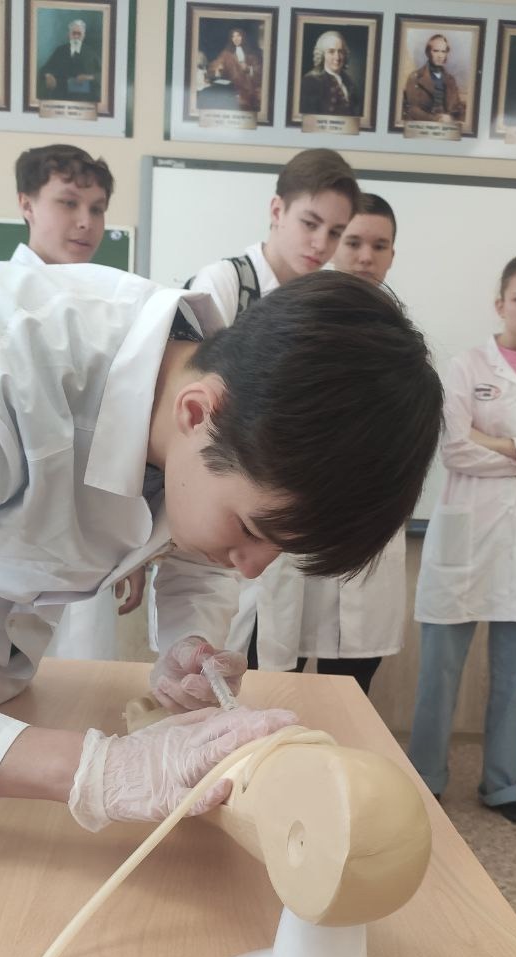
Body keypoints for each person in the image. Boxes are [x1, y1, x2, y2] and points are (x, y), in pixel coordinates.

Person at [0, 267, 442, 879]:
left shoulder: (222, 409)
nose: (251, 569)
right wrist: (99, 770)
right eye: (250, 530)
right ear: (196, 413)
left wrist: (188, 643)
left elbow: (194, 538)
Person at [408, 254, 516, 824]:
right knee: (439, 673)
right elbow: (455, 449)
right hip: (466, 538)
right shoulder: (466, 366)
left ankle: (506, 785)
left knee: (513, 677)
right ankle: (426, 780)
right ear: (500, 304)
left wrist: (498, 442)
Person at [169, 148, 360, 670]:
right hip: (221, 508)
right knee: (209, 646)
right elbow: (186, 423)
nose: (321, 244)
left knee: (271, 655)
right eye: (310, 223)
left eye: (335, 232)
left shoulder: (317, 307)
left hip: (274, 518)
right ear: (277, 210)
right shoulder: (224, 284)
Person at [12, 145, 143, 653]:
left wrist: (132, 541)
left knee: (83, 681)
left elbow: (119, 433)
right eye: (68, 203)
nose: (86, 222)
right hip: (6, 533)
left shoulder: (115, 311)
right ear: (26, 204)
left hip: (86, 538)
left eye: (97, 208)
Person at [294, 193, 405, 694]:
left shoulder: (403, 337)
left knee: (352, 687)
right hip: (300, 529)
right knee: (276, 677)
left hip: (370, 529)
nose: (365, 257)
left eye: (379, 246)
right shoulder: (299, 318)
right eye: (354, 241)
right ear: (334, 243)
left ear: (392, 254)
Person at [401, 33, 464, 124]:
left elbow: (457, 108)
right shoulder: (415, 77)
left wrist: (450, 118)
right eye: (436, 51)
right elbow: (412, 109)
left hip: (447, 126)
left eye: (443, 51)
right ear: (428, 53)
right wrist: (435, 119)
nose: (440, 55)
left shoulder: (450, 80)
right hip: (424, 125)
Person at [300, 30, 361, 117]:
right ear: (322, 55)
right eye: (331, 52)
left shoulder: (349, 82)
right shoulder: (310, 82)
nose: (337, 57)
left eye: (340, 51)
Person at [38, 17, 99, 103]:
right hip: (61, 95)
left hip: (83, 98)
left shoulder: (91, 53)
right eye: (74, 33)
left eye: (79, 34)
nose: (76, 37)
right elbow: (45, 69)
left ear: (84, 35)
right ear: (69, 34)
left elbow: (102, 75)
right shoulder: (60, 51)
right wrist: (48, 75)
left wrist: (89, 77)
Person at [206, 25, 262, 113]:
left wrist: (248, 69)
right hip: (235, 90)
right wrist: (217, 69)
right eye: (233, 36)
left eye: (238, 35)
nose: (236, 38)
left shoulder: (252, 53)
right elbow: (215, 65)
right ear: (231, 39)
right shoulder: (226, 53)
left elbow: (260, 71)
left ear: (243, 37)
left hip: (252, 88)